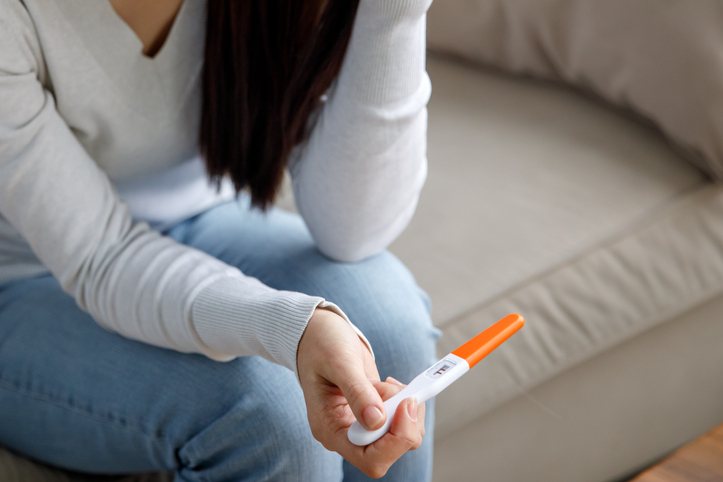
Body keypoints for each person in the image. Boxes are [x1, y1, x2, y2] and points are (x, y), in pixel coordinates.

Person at [0, 0, 439, 479]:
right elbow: (103, 256)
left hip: (198, 213)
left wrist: (395, 11)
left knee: (390, 324)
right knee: (272, 416)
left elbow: (351, 231)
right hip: (22, 273)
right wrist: (291, 328)